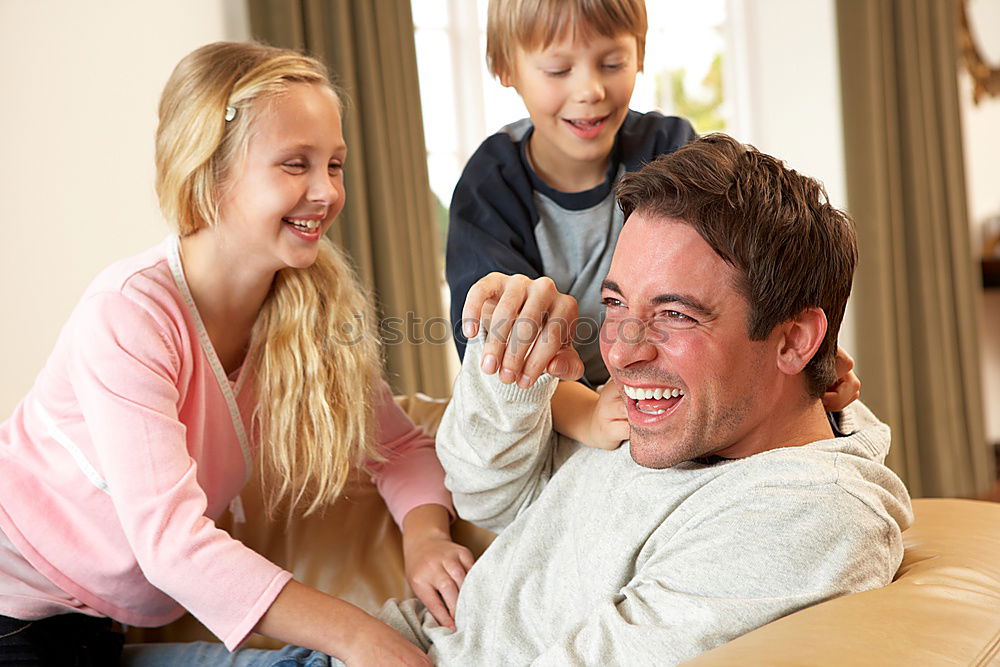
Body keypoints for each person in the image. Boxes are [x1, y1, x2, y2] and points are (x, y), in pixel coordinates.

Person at [141, 135, 912, 666]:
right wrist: (509, 373)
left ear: (794, 339)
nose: (620, 351)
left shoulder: (803, 508)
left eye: (675, 314)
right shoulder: (677, 421)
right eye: (615, 305)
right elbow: (486, 489)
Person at [0, 42, 472, 666]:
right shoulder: (129, 313)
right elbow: (172, 543)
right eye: (294, 164)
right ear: (209, 172)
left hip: (96, 634)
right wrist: (359, 634)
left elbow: (399, 447)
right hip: (15, 617)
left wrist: (426, 539)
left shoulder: (307, 311)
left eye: (334, 164)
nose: (326, 191)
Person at [445, 0, 860, 451]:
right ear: (506, 67)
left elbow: (755, 259)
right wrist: (585, 414)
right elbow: (497, 350)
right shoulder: (492, 183)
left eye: (611, 63)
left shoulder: (669, 145)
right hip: (559, 409)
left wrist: (810, 361)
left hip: (668, 392)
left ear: (639, 54)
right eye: (558, 70)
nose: (590, 90)